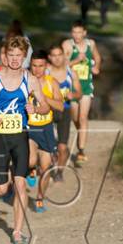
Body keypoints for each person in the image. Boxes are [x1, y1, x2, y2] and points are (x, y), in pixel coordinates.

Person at [0, 36, 49, 244]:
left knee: (20, 183)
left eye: (19, 55)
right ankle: (5, 181)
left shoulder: (30, 80)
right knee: (1, 189)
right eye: (11, 55)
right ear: (5, 55)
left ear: (24, 57)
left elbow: (45, 106)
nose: (15, 59)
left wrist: (35, 108)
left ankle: (17, 231)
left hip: (20, 136)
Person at [26, 50, 64, 213]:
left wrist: (44, 97)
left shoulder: (52, 82)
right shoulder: (24, 81)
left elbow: (60, 106)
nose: (37, 69)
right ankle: (30, 169)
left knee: (46, 167)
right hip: (29, 127)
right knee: (30, 160)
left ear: (46, 66)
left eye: (41, 66)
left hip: (46, 128)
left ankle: (40, 198)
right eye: (34, 65)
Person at [62, 21, 102, 165]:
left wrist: (96, 67)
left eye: (79, 32)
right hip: (72, 89)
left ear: (84, 32)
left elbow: (97, 57)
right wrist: (77, 60)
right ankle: (81, 135)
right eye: (74, 32)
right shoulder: (67, 45)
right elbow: (61, 65)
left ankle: (81, 150)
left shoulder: (91, 44)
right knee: (76, 119)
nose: (76, 35)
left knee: (83, 118)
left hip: (86, 87)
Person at [47, 43, 82, 181]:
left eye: (59, 55)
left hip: (65, 111)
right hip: (47, 112)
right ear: (49, 57)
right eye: (53, 56)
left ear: (64, 56)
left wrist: (74, 95)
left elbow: (79, 92)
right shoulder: (45, 72)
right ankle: (44, 166)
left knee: (62, 147)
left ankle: (60, 171)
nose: (57, 58)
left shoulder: (71, 73)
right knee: (46, 146)